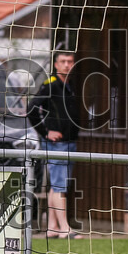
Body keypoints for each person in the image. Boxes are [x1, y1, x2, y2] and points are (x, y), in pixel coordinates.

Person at [28, 50, 83, 239]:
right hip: (57, 144)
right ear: (56, 64)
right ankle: (65, 228)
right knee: (60, 186)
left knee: (56, 186)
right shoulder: (50, 85)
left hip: (68, 142)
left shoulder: (69, 85)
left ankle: (52, 227)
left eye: (70, 61)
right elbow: (31, 109)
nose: (67, 64)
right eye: (63, 61)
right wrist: (45, 132)